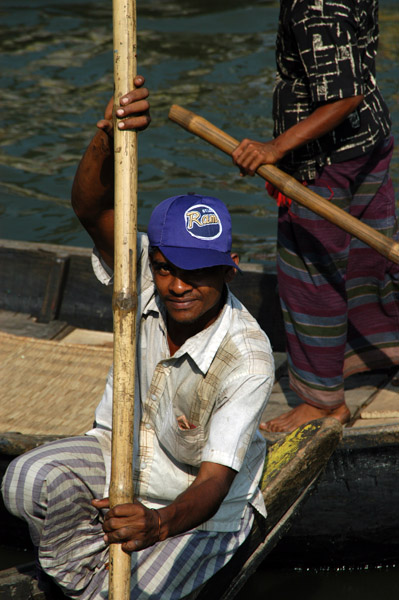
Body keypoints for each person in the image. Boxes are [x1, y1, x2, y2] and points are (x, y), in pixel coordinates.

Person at [2, 76, 274, 600]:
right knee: (25, 480)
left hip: (195, 506)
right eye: (166, 269)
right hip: (116, 456)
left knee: (140, 592)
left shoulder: (248, 355)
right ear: (152, 261)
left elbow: (214, 482)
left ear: (229, 272)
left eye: (197, 273)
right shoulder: (142, 274)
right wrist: (108, 134)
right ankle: (90, 575)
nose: (176, 286)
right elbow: (88, 209)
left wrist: (157, 526)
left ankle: (110, 573)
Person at [232, 0, 399, 433]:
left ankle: (321, 401)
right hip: (367, 139)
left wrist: (277, 147)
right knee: (367, 256)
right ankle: (370, 351)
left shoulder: (315, 6)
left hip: (323, 160)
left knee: (310, 273)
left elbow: (345, 94)